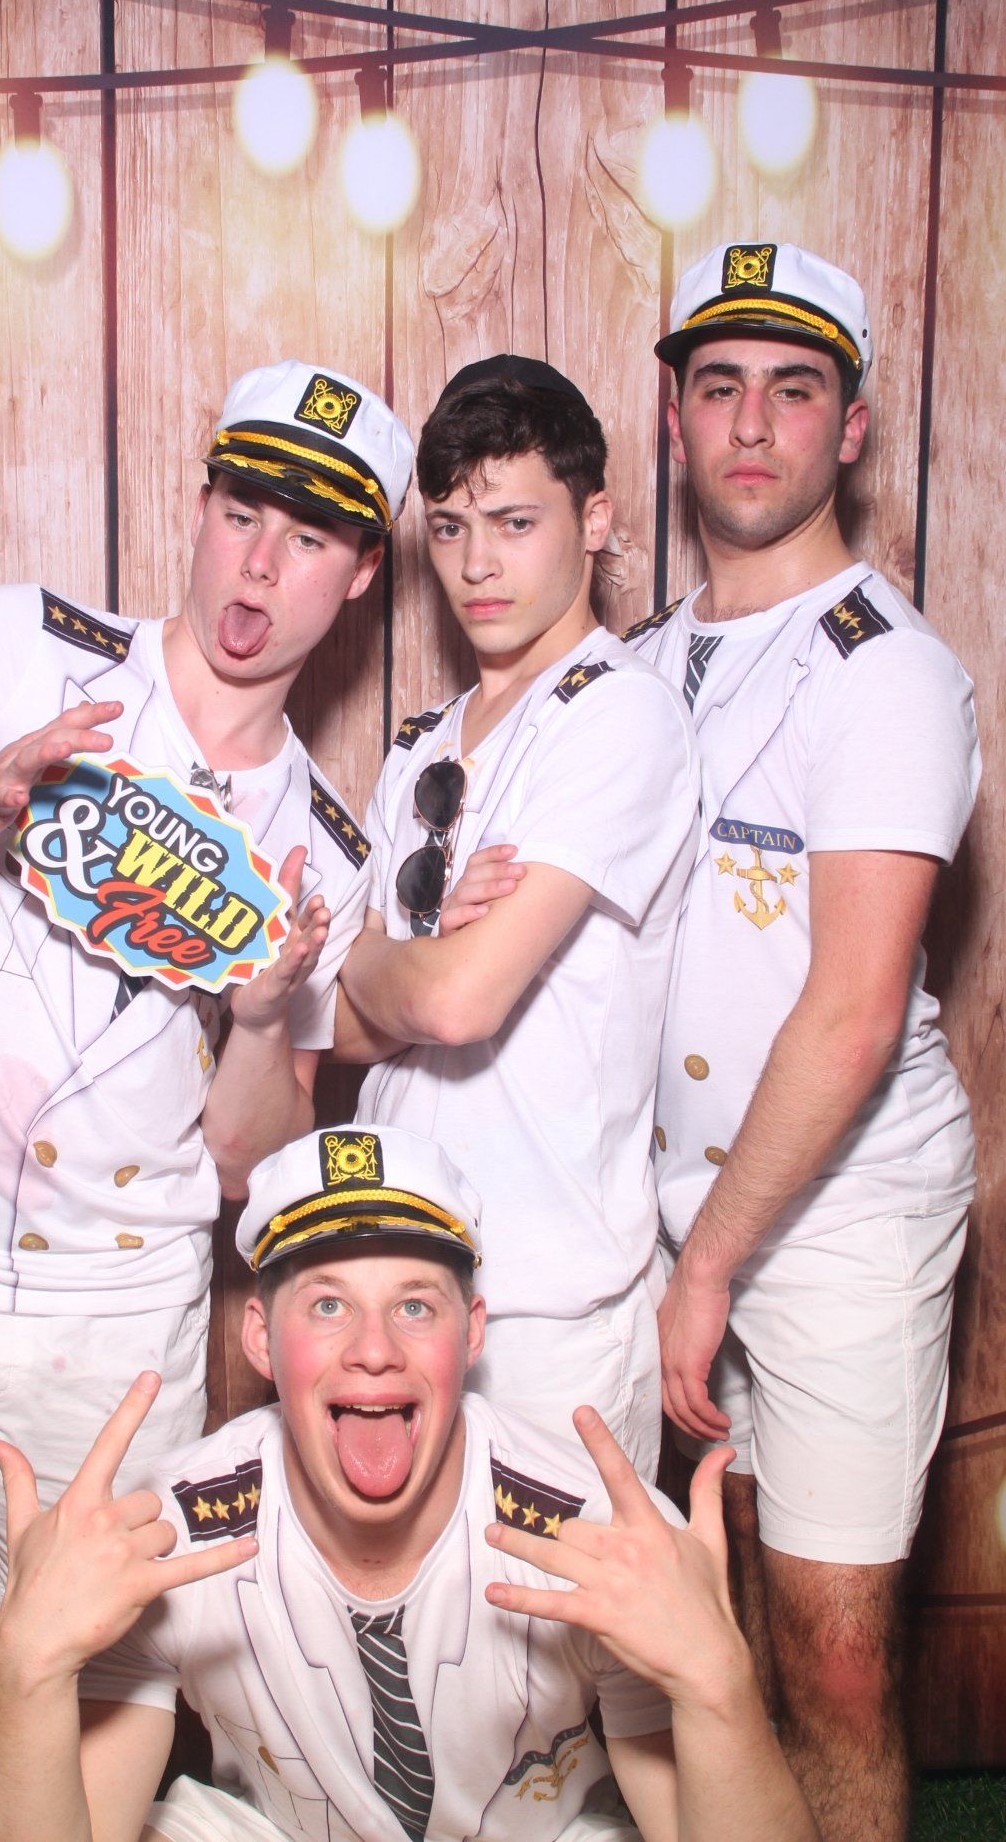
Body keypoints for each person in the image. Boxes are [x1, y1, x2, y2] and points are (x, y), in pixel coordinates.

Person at [0, 359, 413, 1842]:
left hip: (113, 1320)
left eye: (308, 539)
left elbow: (251, 1164)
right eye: (243, 513)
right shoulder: (14, 650)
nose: (259, 565)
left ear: (360, 575)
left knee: (94, 1745)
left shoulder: (324, 852)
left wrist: (257, 1021)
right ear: (200, 504)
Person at [0, 1121, 819, 1842]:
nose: (374, 1349)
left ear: (471, 1335)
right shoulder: (165, 1537)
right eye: (327, 1305)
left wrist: (720, 1683)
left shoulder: (595, 1535)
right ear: (260, 1339)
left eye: (414, 1305)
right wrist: (26, 1669)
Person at [625, 242, 980, 1842]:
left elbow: (850, 1013)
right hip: (665, 1200)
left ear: (852, 426)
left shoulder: (888, 670)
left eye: (794, 388)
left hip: (832, 1212)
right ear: (676, 421)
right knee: (710, 1641)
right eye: (719, 387)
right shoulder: (635, 662)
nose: (753, 424)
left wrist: (706, 1267)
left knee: (834, 1660)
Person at [333, 355, 700, 1468]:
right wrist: (418, 958)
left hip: (552, 1309)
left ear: (593, 521)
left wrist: (375, 957)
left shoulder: (619, 716)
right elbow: (333, 1034)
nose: (476, 564)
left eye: (514, 522)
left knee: (563, 1594)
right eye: (449, 528)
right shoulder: (418, 746)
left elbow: (455, 1006)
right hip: (402, 1283)